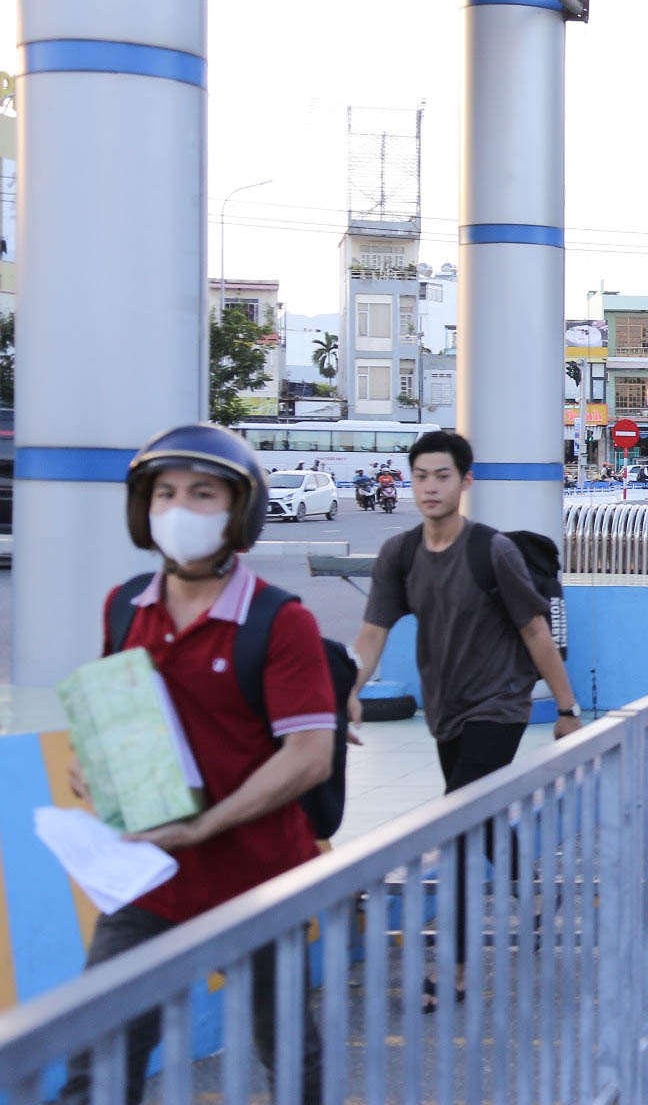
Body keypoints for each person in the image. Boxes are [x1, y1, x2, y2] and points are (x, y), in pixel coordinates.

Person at [62, 425, 334, 1104]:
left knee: (289, 1055)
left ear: (238, 510)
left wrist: (204, 825)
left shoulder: (280, 621)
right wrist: (90, 766)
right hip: (152, 879)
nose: (179, 509)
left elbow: (308, 757)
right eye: (165, 493)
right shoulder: (125, 607)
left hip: (261, 879)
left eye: (202, 493)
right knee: (99, 1056)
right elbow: (114, 714)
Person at [351, 429, 582, 1010]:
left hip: (500, 706)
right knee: (476, 814)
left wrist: (567, 708)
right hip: (445, 709)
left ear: (465, 481)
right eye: (421, 476)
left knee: (454, 825)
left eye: (443, 476)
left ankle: (450, 971)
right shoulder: (398, 555)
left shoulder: (492, 551)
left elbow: (535, 630)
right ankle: (530, 892)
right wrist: (346, 693)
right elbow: (371, 636)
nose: (430, 487)